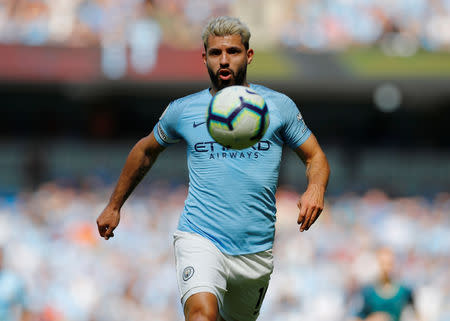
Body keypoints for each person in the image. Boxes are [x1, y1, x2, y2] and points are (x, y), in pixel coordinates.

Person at [97, 16, 330, 321]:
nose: (224, 60)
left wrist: (315, 188)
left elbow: (315, 157)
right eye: (215, 53)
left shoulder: (278, 106)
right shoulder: (184, 109)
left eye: (232, 51)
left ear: (248, 55)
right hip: (201, 236)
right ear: (204, 57)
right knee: (201, 315)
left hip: (255, 252)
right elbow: (145, 151)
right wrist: (115, 205)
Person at [352, 248, 421, 321]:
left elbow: (417, 314)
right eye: (382, 263)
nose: (385, 268)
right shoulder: (368, 292)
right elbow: (358, 316)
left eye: (389, 264)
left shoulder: (404, 291)